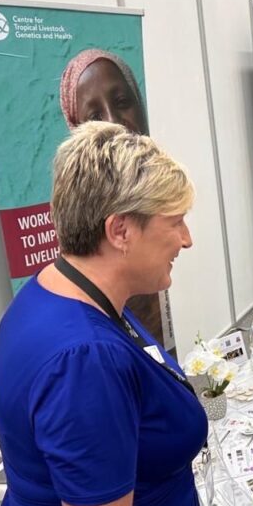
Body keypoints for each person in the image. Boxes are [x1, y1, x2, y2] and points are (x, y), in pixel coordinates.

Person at [0, 122, 227, 506]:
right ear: (121, 229)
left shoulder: (60, 287)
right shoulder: (83, 360)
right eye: (175, 222)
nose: (187, 240)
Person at [59, 49, 167, 348]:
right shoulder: (81, 211)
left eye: (122, 103)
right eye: (94, 116)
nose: (114, 122)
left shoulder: (157, 183)